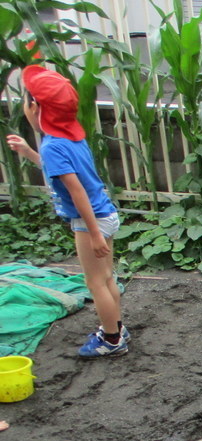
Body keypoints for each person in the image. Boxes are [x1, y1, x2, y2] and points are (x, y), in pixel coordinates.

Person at [6, 65, 125, 358]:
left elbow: (76, 191)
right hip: (105, 212)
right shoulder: (71, 137)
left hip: (90, 222)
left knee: (95, 283)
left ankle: (111, 340)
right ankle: (117, 328)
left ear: (36, 108)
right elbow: (63, 173)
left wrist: (93, 234)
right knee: (107, 278)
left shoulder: (52, 146)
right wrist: (28, 152)